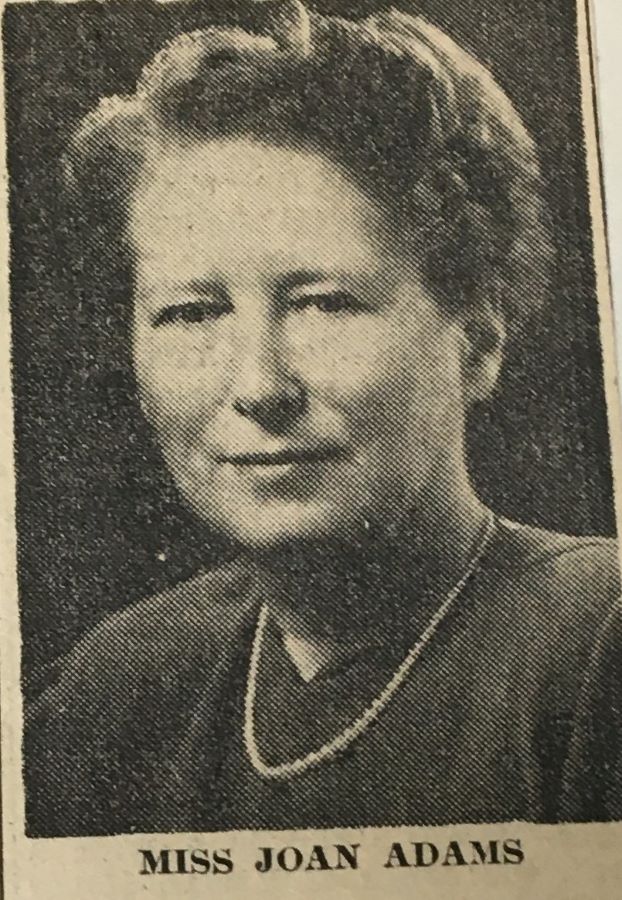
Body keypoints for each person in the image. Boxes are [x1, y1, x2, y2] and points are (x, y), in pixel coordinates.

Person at [25, 0, 621, 837]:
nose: (259, 385)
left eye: (325, 303)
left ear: (478, 343)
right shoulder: (112, 691)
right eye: (193, 313)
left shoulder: (596, 642)